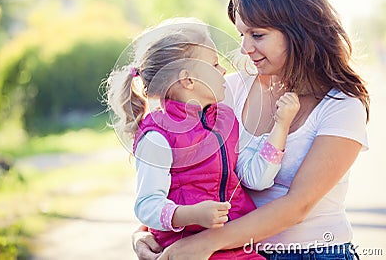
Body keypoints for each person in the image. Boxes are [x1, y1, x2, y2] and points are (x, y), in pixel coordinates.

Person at [132, 0, 370, 260]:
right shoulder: (227, 90)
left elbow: (298, 205)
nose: (245, 48)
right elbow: (180, 168)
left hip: (313, 252)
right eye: (242, 34)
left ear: (299, 32)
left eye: (257, 35)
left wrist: (206, 242)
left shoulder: (342, 106)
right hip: (233, 253)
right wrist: (144, 232)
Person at [105, 17, 300, 259]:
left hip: (237, 246)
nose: (224, 70)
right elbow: (146, 205)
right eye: (215, 64)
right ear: (188, 80)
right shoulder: (157, 135)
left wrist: (281, 126)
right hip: (187, 248)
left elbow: (256, 178)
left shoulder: (226, 120)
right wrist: (193, 215)